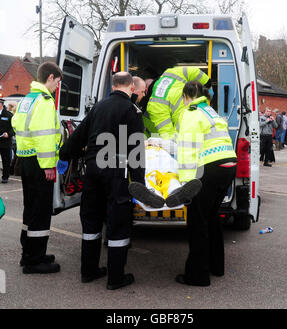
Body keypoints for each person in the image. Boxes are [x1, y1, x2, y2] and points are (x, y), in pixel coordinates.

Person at [58, 72, 164, 289]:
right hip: (116, 172)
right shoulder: (132, 110)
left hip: (93, 170)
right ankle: (116, 278)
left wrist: (63, 155)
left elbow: (77, 137)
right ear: (131, 88)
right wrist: (139, 185)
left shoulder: (98, 107)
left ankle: (88, 271)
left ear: (113, 85)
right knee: (117, 224)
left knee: (91, 220)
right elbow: (136, 152)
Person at [174, 80, 237, 287]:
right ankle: (216, 267)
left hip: (210, 169)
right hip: (228, 167)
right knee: (211, 218)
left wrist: (186, 185)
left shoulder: (191, 113)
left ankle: (197, 276)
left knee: (197, 223)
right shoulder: (210, 111)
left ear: (185, 96)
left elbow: (187, 150)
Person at [12, 61, 63, 274]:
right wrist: (49, 164)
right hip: (41, 163)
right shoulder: (43, 101)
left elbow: (16, 124)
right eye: (57, 82)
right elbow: (44, 137)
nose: (57, 87)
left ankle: (30, 253)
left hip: (26, 161)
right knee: (41, 212)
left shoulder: (28, 99)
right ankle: (35, 261)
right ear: (50, 77)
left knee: (30, 209)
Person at [146, 66, 212, 140]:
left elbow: (168, 135)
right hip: (202, 118)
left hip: (186, 131)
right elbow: (194, 72)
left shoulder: (155, 105)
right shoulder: (171, 73)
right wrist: (208, 84)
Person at [0, 99, 14, 183]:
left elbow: (14, 128)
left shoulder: (9, 115)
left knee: (6, 161)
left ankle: (5, 177)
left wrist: (8, 134)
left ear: (1, 104)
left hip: (5, 142)